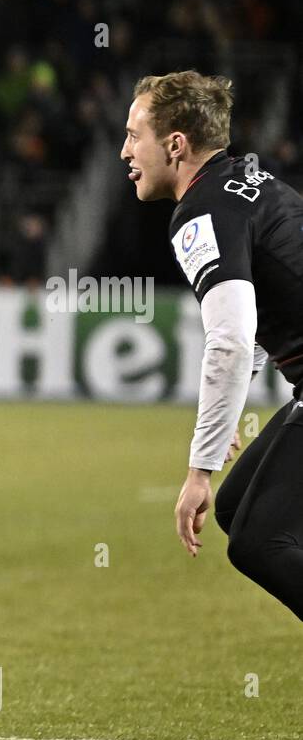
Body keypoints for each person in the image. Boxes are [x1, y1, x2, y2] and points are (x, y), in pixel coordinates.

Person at [121, 70, 303, 614]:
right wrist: (223, 419)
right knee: (239, 506)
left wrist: (198, 468)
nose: (125, 150)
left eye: (134, 134)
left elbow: (230, 339)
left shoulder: (199, 213)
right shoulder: (255, 183)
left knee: (259, 541)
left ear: (175, 145)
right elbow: (275, 305)